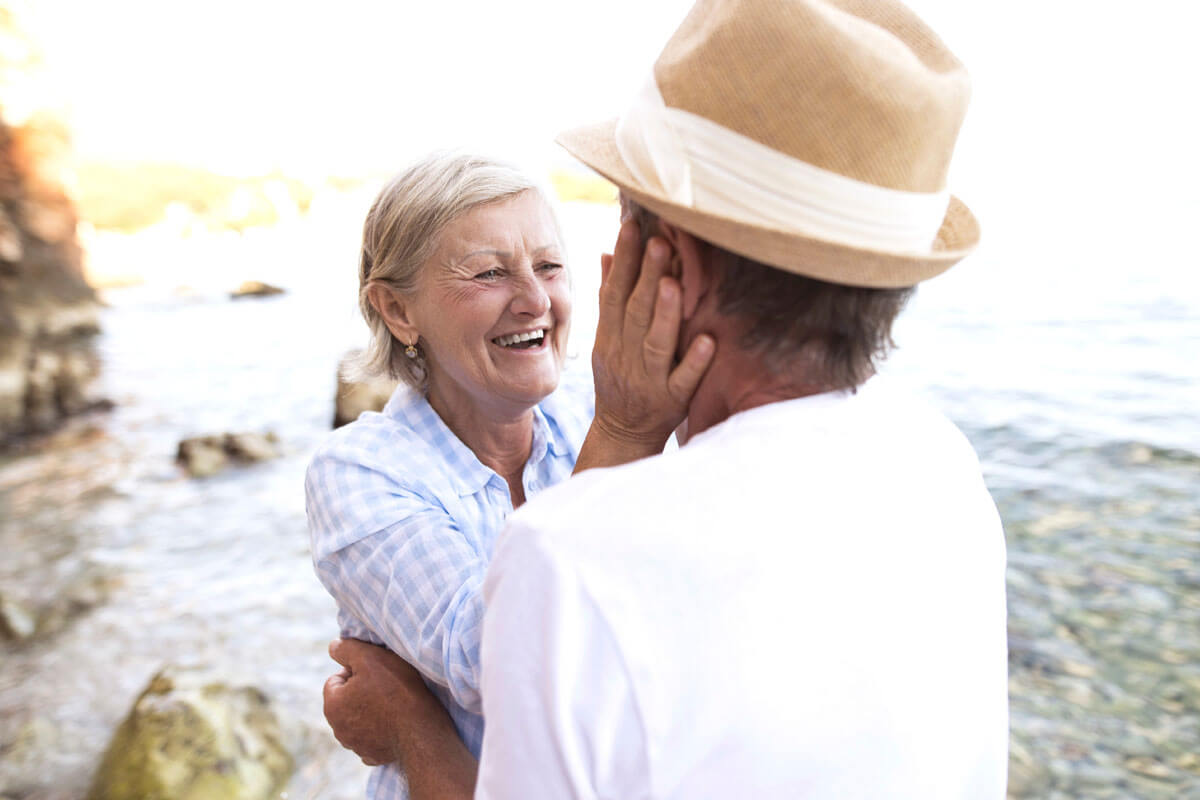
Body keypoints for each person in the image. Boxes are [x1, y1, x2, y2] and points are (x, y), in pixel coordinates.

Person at [322, 0, 1009, 797]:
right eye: (488, 272)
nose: (540, 298)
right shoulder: (942, 465)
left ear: (666, 261)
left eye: (621, 222)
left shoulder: (575, 556)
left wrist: (410, 723)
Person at [306, 153, 712, 798]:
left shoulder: (586, 410)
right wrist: (627, 434)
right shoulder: (361, 471)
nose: (534, 301)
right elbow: (490, 662)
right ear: (397, 311)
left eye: (549, 266)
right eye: (490, 273)